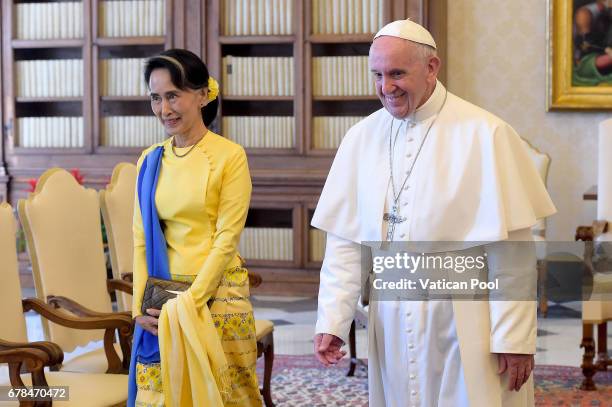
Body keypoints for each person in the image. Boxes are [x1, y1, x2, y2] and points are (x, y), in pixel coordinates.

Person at [312, 19, 556, 406]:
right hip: (390, 318)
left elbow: (513, 253)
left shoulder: (486, 133)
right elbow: (344, 243)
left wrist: (513, 337)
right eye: (377, 74)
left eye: (396, 73)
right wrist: (333, 320)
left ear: (431, 68)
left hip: (466, 318)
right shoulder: (361, 137)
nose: (385, 87)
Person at [127, 49, 262, 406]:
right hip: (161, 298)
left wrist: (191, 301)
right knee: (157, 396)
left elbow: (226, 239)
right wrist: (138, 308)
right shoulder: (149, 160)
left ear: (202, 95)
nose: (164, 109)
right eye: (156, 98)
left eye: (173, 95)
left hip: (217, 296)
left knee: (231, 397)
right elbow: (141, 240)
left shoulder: (229, 156)